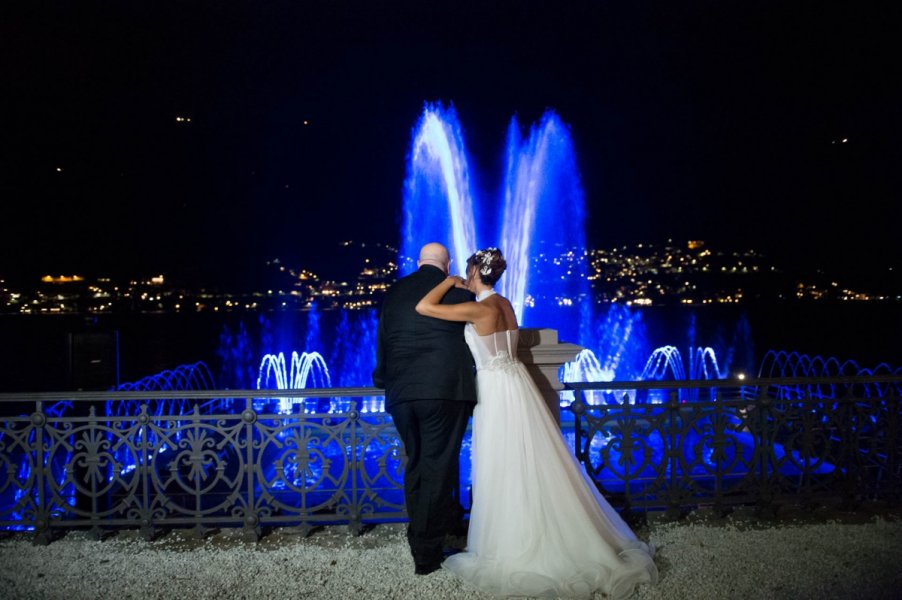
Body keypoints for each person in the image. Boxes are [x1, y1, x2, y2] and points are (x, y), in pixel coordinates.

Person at [415, 247, 658, 599]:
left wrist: (448, 282)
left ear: (474, 274)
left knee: (502, 463)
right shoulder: (505, 305)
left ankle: (514, 543)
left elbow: (424, 307)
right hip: (517, 384)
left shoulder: (477, 308)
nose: (464, 279)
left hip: (495, 391)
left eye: (467, 273)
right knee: (533, 460)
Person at [372, 242, 477, 576]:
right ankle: (426, 553)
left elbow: (384, 342)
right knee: (437, 468)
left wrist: (382, 379)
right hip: (444, 391)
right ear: (447, 267)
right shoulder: (459, 294)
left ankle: (420, 532)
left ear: (418, 263)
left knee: (417, 465)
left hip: (401, 394)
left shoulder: (393, 292)